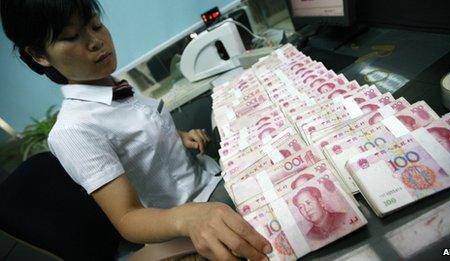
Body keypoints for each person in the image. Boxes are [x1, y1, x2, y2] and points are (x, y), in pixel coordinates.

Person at [0, 0, 272, 260]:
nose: (96, 41)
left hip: (212, 177)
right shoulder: (72, 130)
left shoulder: (112, 86)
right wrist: (189, 218)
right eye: (71, 36)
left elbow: (136, 139)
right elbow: (127, 218)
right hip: (194, 217)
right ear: (39, 55)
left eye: (95, 26)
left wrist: (178, 137)